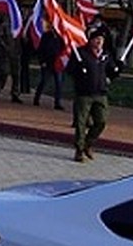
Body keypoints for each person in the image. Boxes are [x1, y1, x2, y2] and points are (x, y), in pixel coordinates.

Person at [67, 24, 123, 162]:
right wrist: (78, 69)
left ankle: (88, 143)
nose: (99, 42)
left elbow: (111, 71)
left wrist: (118, 69)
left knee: (101, 121)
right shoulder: (80, 53)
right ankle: (79, 150)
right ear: (90, 40)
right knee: (81, 123)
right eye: (96, 39)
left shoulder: (105, 55)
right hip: (84, 94)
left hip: (100, 93)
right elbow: (69, 70)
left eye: (101, 40)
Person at [33, 27, 65, 110]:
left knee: (58, 84)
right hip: (47, 63)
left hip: (57, 64)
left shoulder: (61, 37)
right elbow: (41, 50)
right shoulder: (46, 36)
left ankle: (57, 102)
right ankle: (36, 98)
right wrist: (42, 61)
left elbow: (63, 49)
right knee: (44, 81)